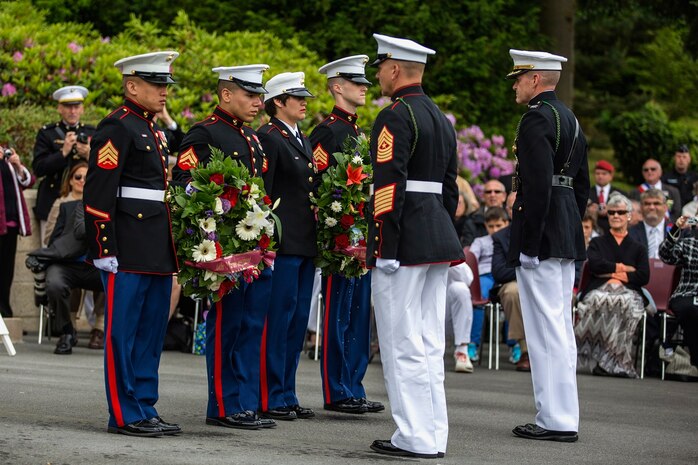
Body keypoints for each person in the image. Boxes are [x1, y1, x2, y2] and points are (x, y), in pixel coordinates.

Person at [367, 34, 464, 459]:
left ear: (393, 69)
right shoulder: (440, 118)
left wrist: (385, 246)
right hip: (438, 236)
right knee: (427, 343)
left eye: (380, 69)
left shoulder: (396, 115)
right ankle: (432, 434)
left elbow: (389, 185)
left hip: (404, 241)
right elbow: (450, 188)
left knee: (400, 339)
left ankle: (412, 436)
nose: (378, 77)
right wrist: (439, 226)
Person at [172, 64, 276, 430]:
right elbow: (184, 180)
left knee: (250, 326)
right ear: (227, 94)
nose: (258, 102)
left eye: (259, 95)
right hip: (226, 247)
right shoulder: (205, 133)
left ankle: (244, 401)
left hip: (253, 245)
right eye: (250, 95)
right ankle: (222, 405)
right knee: (227, 325)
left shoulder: (250, 137)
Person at [83, 51, 181, 437]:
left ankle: (145, 404)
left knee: (150, 332)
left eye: (165, 85)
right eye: (157, 85)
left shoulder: (152, 129)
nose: (164, 92)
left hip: (155, 244)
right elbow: (98, 192)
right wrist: (104, 248)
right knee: (122, 332)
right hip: (126, 246)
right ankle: (124, 412)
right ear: (131, 86)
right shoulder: (117, 127)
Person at [506, 49, 589, 443]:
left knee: (544, 329)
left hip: (542, 233)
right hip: (566, 229)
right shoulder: (571, 119)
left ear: (536, 79)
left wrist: (530, 241)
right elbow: (583, 187)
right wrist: (567, 222)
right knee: (559, 326)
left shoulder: (536, 119)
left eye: (519, 78)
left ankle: (554, 418)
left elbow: (536, 186)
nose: (515, 85)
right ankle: (563, 415)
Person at [309, 55, 384, 414]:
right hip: (340, 238)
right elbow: (319, 187)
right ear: (337, 87)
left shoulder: (357, 132)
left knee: (357, 314)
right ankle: (337, 389)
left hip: (360, 237)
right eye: (357, 83)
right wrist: (335, 232)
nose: (364, 88)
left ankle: (353, 385)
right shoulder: (327, 132)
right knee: (339, 312)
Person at [258, 71, 317, 422]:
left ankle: (287, 390)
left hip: (303, 242)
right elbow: (264, 192)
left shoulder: (300, 137)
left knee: (296, 320)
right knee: (278, 319)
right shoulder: (269, 137)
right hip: (282, 242)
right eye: (298, 97)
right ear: (278, 102)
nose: (305, 102)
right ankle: (270, 393)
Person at [575, 193, 650, 378]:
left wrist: (609, 271)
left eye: (621, 212)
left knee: (625, 304)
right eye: (611, 213)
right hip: (599, 287)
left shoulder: (638, 247)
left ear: (629, 216)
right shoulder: (597, 242)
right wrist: (624, 268)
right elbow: (594, 265)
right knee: (600, 300)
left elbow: (642, 276)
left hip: (629, 291)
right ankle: (602, 359)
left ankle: (616, 362)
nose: (616, 216)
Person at [43, 162, 105, 352]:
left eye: (86, 177)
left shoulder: (103, 201)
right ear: (70, 180)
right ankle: (67, 329)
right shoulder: (62, 204)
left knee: (110, 274)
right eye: (78, 177)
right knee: (56, 282)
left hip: (94, 263)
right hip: (69, 262)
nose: (82, 181)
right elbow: (50, 238)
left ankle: (99, 329)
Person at [32, 85, 94, 245]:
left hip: (85, 201)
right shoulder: (47, 133)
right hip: (53, 200)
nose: (72, 111)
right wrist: (63, 153)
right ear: (59, 108)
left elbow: (105, 168)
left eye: (76, 106)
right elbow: (38, 169)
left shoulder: (92, 132)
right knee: (50, 249)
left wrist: (88, 154)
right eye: (68, 107)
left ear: (82, 109)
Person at [466, 206, 509, 362]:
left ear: (507, 223)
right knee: (479, 297)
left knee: (511, 297)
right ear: (485, 226)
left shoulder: (510, 239)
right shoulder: (480, 241)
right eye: (491, 226)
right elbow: (472, 258)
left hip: (503, 276)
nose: (495, 229)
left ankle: (515, 345)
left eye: (499, 225)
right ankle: (472, 343)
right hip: (484, 276)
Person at [659, 214, 698, 374]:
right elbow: (664, 255)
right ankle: (695, 359)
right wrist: (676, 229)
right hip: (686, 294)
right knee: (692, 310)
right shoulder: (689, 244)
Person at [0, 145, 34, 318]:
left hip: (11, 223)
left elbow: (28, 182)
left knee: (6, 270)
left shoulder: (6, 154)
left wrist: (18, 166)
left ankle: (4, 310)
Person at [628, 189, 671, 259]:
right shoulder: (630, 233)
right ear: (641, 208)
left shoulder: (678, 232)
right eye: (647, 204)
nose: (651, 207)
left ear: (665, 207)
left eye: (656, 203)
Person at [587, 160, 625, 233]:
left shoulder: (620, 193)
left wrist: (611, 209)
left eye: (604, 174)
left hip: (614, 229)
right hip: (592, 230)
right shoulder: (587, 193)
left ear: (611, 176)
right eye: (597, 173)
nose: (600, 176)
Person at [662, 144, 697, 209]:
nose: (681, 159)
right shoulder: (666, 177)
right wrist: (669, 210)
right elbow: (665, 196)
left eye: (684, 157)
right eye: (679, 156)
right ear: (674, 158)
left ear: (689, 159)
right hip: (672, 211)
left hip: (690, 212)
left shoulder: (695, 177)